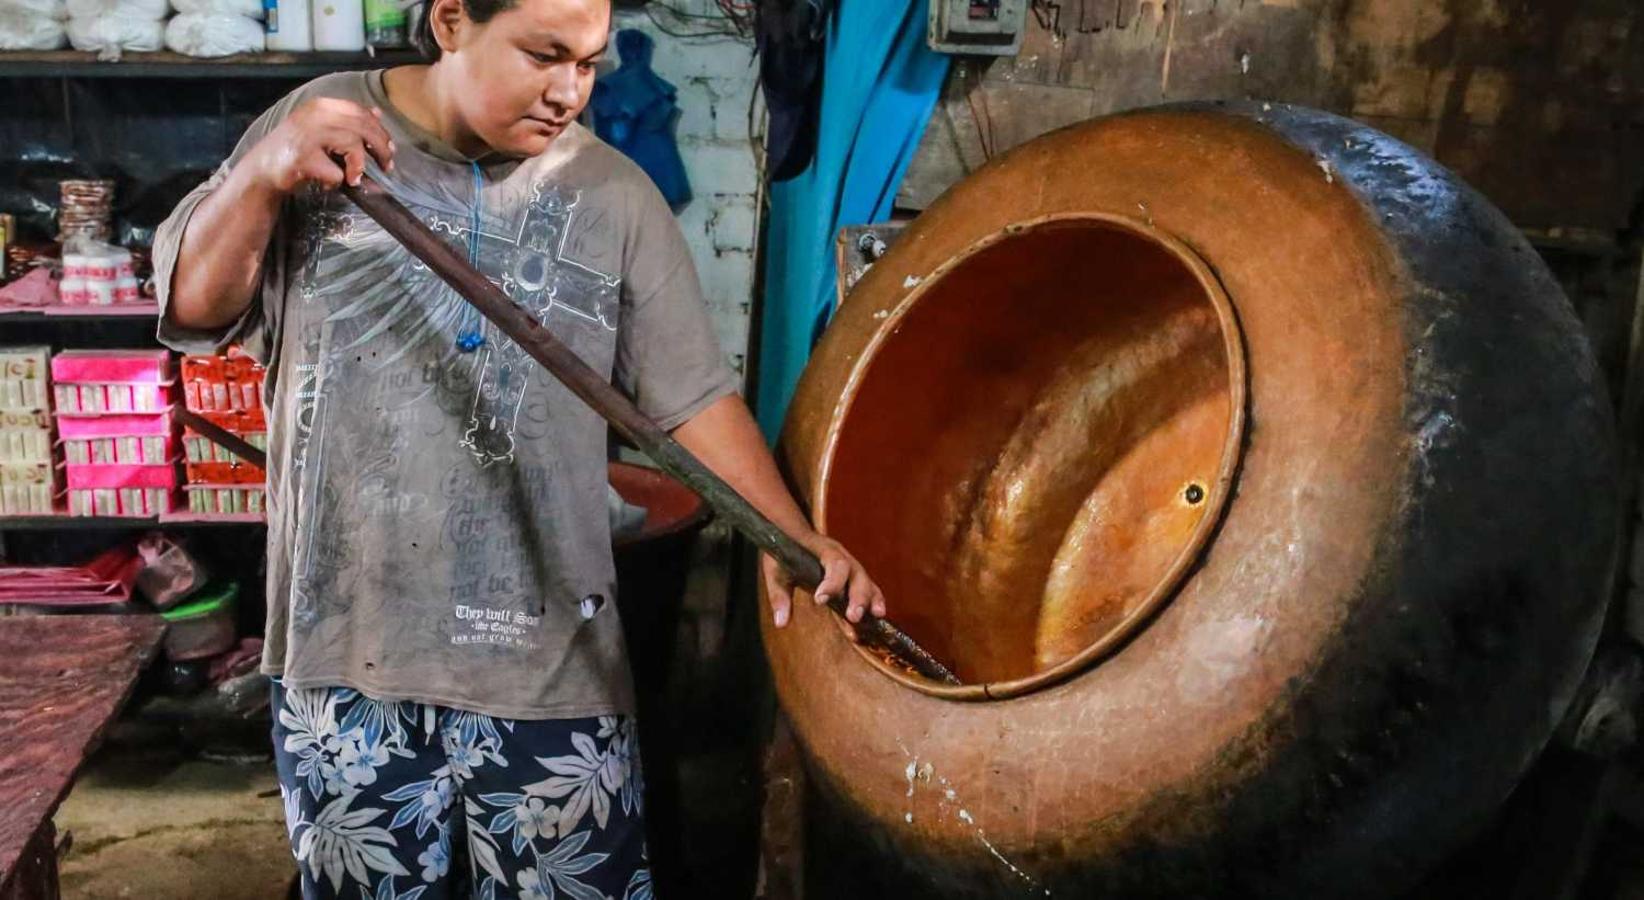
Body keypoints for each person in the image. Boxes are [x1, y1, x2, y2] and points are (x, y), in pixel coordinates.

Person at [154, 0, 883, 895]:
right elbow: (193, 310)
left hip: (548, 665)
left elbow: (690, 400)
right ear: (452, 19)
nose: (569, 92)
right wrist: (263, 175)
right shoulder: (318, 131)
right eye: (544, 55)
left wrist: (787, 535)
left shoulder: (613, 195)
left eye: (588, 64)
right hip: (346, 654)